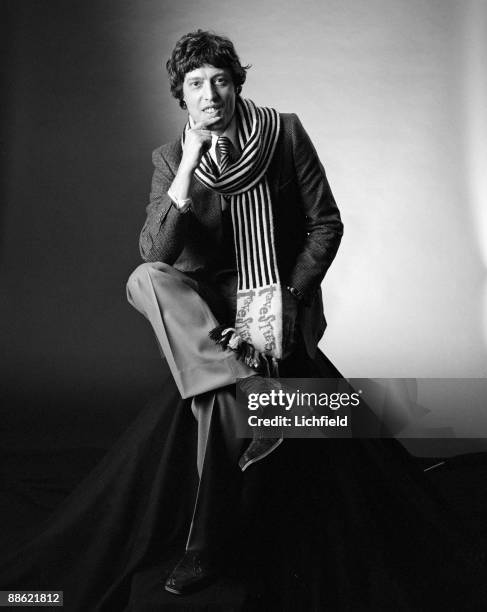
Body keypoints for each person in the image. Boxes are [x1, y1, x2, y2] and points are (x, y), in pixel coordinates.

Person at [126, 29, 344, 594]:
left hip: (267, 294)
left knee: (211, 407)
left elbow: (326, 224)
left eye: (220, 80)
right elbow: (157, 252)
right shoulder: (172, 156)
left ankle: (202, 552)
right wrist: (188, 166)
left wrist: (289, 298)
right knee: (143, 278)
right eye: (196, 84)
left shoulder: (283, 133)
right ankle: (246, 383)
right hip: (205, 307)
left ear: (236, 84)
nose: (210, 95)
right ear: (182, 95)